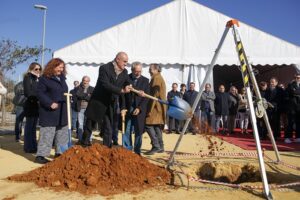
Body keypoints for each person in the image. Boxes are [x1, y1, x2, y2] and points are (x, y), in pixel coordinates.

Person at [80, 52, 132, 148]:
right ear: (117, 59)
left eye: (127, 62)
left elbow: (129, 83)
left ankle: (107, 147)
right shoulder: (104, 68)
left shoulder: (124, 72)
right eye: (124, 61)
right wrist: (121, 90)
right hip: (98, 101)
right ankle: (85, 143)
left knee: (108, 126)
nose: (126, 64)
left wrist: (138, 90)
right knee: (90, 124)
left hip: (110, 103)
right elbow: (105, 84)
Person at [35, 58, 69, 164]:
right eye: (59, 67)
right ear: (52, 66)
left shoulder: (62, 78)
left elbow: (64, 91)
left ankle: (60, 153)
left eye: (62, 67)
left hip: (62, 111)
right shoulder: (44, 79)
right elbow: (40, 93)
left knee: (62, 132)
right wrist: (50, 103)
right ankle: (41, 155)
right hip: (50, 111)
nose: (61, 69)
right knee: (47, 133)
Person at [123, 62, 149, 154]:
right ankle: (127, 150)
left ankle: (137, 151)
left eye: (140, 71)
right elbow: (122, 94)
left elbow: (146, 97)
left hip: (139, 109)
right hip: (128, 107)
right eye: (136, 71)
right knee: (127, 129)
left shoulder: (145, 80)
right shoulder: (126, 78)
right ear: (132, 70)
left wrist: (139, 108)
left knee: (138, 131)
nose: (138, 73)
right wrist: (123, 108)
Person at [144, 64, 167, 155]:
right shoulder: (159, 77)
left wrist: (149, 109)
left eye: (150, 69)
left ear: (156, 70)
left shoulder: (156, 78)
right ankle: (161, 146)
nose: (149, 71)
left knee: (148, 124)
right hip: (159, 107)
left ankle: (156, 146)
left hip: (155, 107)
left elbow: (155, 95)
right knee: (157, 126)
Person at [23, 62, 42, 153]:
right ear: (31, 69)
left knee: (34, 127)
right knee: (29, 127)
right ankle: (28, 147)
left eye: (39, 69)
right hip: (30, 105)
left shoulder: (39, 79)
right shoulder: (28, 78)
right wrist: (38, 96)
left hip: (37, 106)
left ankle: (34, 146)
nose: (38, 71)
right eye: (36, 69)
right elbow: (27, 92)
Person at [76, 76, 94, 141]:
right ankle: (80, 139)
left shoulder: (92, 89)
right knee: (80, 124)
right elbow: (78, 95)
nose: (85, 82)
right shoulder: (79, 88)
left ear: (89, 81)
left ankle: (89, 139)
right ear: (82, 81)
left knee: (89, 124)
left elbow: (91, 98)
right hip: (80, 109)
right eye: (84, 80)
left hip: (89, 109)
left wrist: (83, 96)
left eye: (87, 81)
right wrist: (87, 95)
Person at [284, 73, 300, 143]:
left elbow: (295, 92)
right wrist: (295, 93)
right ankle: (288, 137)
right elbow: (292, 93)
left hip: (299, 108)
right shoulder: (290, 85)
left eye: (299, 78)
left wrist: (295, 93)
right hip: (291, 107)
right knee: (290, 123)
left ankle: (298, 137)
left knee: (298, 123)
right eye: (296, 77)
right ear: (294, 78)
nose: (297, 79)